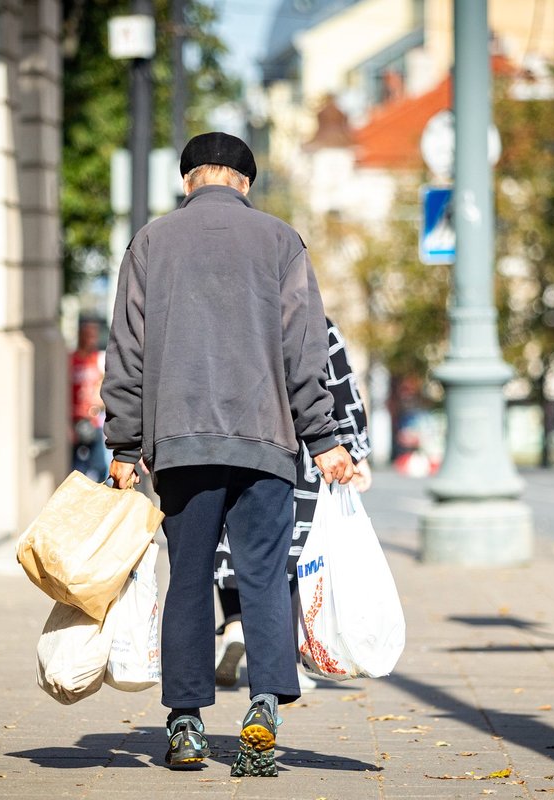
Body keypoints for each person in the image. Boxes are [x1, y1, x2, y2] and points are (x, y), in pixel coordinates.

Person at [102, 132, 354, 777]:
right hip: (266, 440)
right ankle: (263, 707)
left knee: (187, 579)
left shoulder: (151, 243)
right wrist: (323, 438)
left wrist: (125, 444)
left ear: (189, 179)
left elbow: (127, 350)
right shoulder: (281, 242)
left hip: (181, 443)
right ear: (244, 181)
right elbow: (306, 349)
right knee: (264, 576)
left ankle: (186, 725)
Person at [213, 317, 373, 693]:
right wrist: (354, 449)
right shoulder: (312, 321)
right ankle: (284, 659)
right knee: (287, 550)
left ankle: (235, 625)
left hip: (223, 443)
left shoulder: (223, 316)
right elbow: (339, 385)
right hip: (297, 451)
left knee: (229, 541)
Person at [70, 319, 109, 481]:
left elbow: (104, 385)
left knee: (100, 466)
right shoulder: (71, 360)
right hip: (75, 420)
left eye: (94, 336)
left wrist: (98, 401)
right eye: (88, 336)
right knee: (77, 468)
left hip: (93, 421)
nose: (92, 340)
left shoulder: (97, 359)